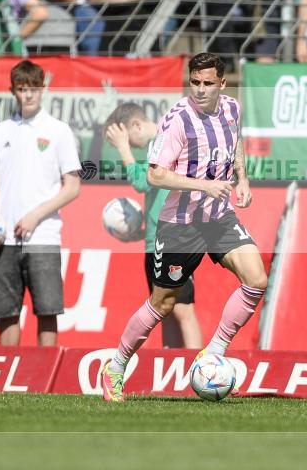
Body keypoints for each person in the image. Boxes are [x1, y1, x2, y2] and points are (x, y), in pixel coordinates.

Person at [100, 52, 269, 402]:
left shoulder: (232, 109)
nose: (201, 89)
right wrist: (204, 185)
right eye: (195, 82)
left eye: (208, 83)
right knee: (162, 304)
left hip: (218, 218)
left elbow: (235, 142)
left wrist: (242, 179)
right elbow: (155, 175)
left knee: (256, 280)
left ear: (222, 84)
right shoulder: (177, 119)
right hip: (180, 225)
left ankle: (213, 353)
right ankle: (115, 368)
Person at [0, 60, 82, 346]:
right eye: (21, 89)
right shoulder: (0, 131)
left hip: (43, 236)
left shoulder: (58, 130)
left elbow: (72, 186)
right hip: (3, 237)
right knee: (6, 314)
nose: (28, 95)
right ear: (12, 91)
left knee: (47, 311)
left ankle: (47, 376)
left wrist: (35, 216)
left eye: (34, 89)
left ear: (43, 89)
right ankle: (7, 371)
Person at [104, 103, 204, 349]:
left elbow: (142, 182)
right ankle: (170, 366)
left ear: (136, 126)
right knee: (163, 311)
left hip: (174, 241)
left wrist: (124, 150)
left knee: (183, 309)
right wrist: (142, 233)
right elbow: (156, 196)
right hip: (155, 242)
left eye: (129, 139)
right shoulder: (154, 146)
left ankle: (200, 367)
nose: (131, 146)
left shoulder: (165, 137)